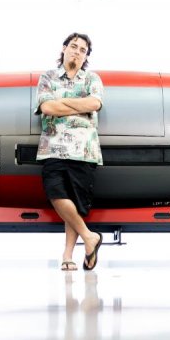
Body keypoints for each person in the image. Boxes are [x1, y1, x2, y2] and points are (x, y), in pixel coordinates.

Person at [35, 32, 104, 271]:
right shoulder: (48, 77)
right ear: (64, 48)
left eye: (83, 50)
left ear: (86, 56)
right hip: (52, 147)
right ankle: (89, 237)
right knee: (56, 194)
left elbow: (94, 104)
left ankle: (67, 254)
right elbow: (46, 106)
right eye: (74, 46)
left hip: (83, 149)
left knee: (74, 203)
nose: (77, 51)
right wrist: (78, 106)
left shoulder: (92, 78)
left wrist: (62, 104)